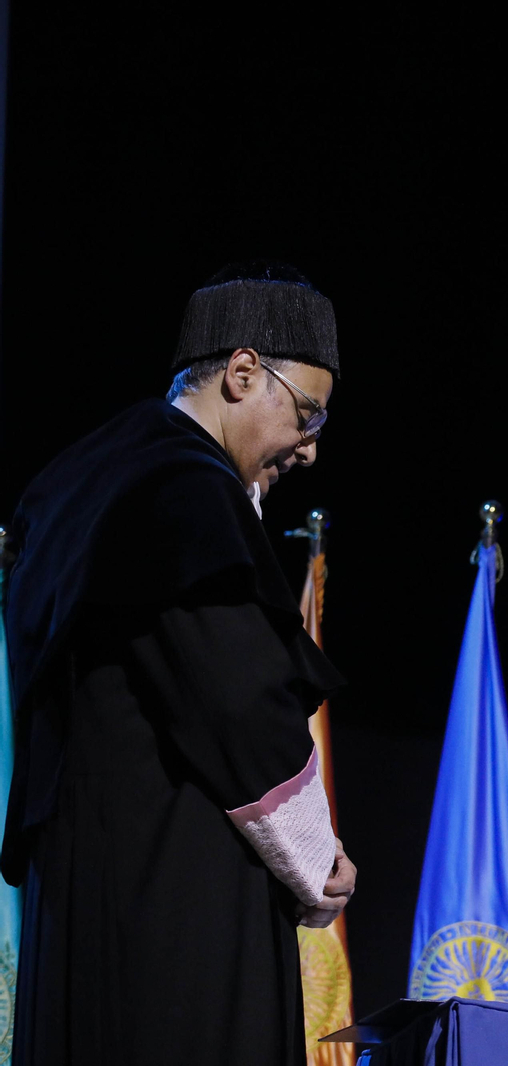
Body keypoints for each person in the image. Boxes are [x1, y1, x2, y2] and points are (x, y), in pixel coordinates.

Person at [2, 262, 357, 1065]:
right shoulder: (184, 489)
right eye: (307, 416)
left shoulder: (75, 480)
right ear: (241, 373)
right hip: (174, 917)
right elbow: (234, 700)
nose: (307, 451)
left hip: (78, 903)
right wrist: (315, 858)